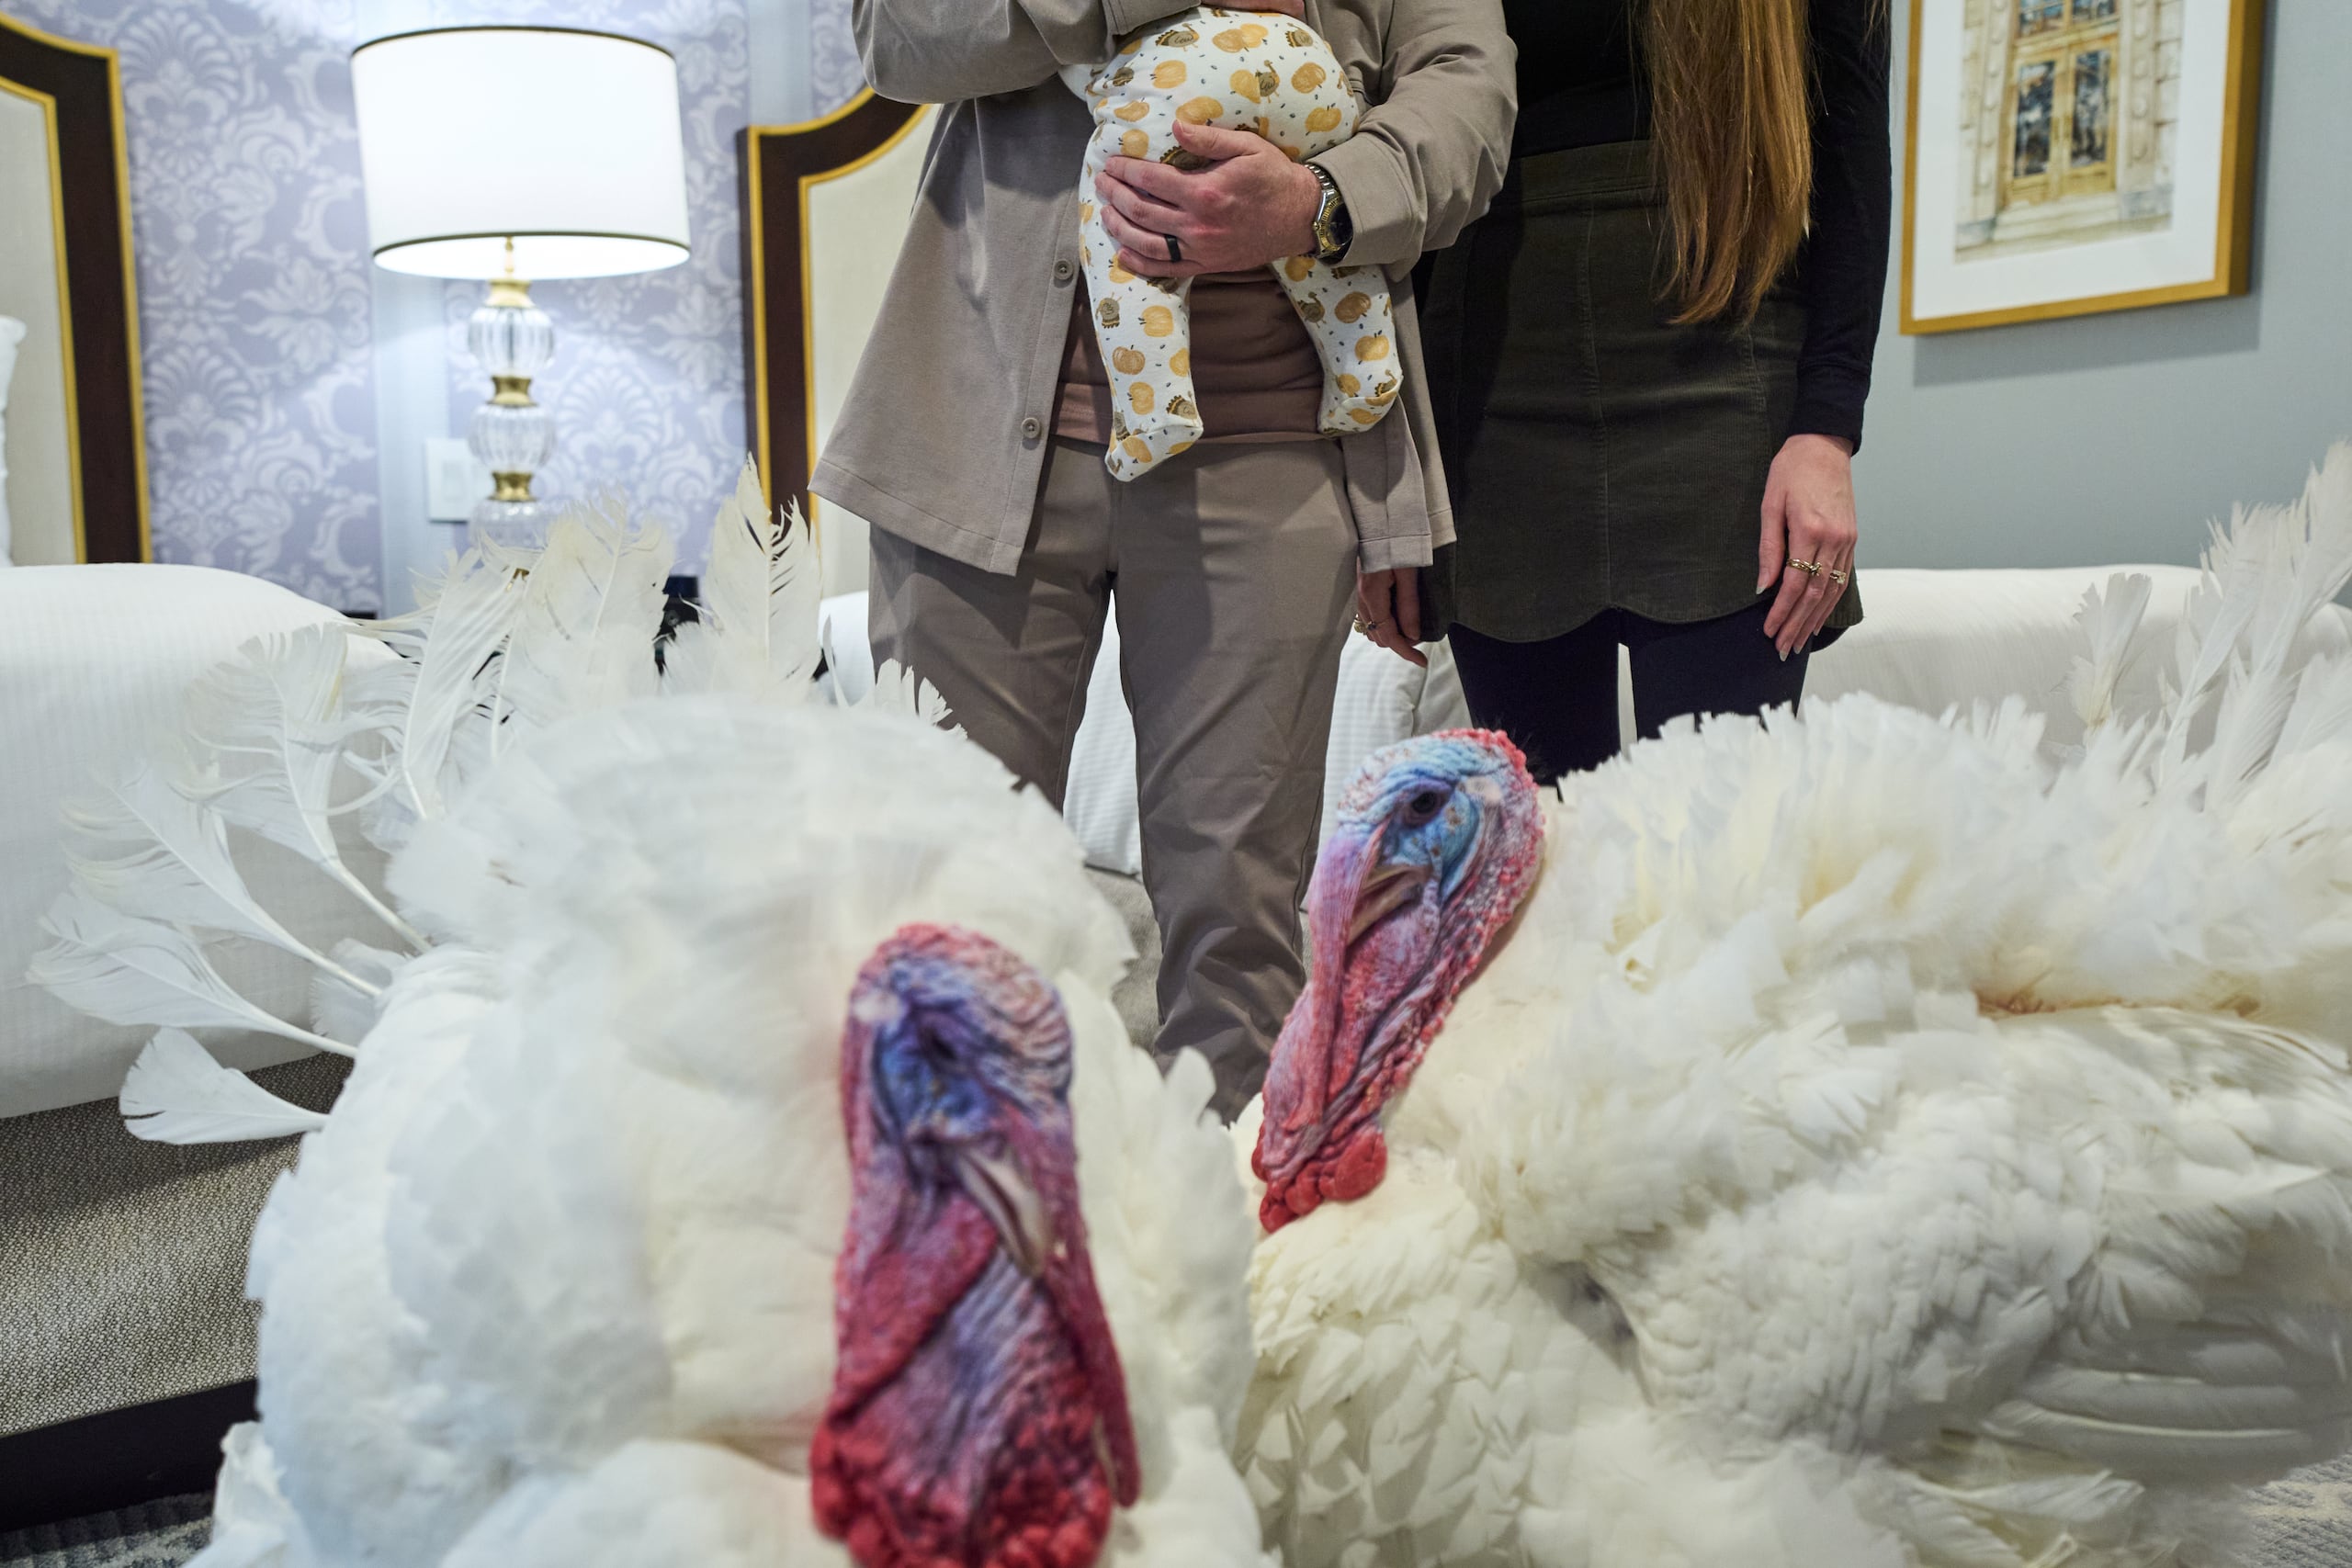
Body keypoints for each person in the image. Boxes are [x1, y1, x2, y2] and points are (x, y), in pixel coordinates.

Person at [814, 0, 1515, 1114]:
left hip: (1275, 452)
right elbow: (896, 34)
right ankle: (972, 1213)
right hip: (974, 432)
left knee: (1241, 935)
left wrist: (1318, 202)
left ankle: (1217, 1216)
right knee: (949, 909)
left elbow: (1468, 90)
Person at [1390, 0, 1891, 784]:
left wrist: (1827, 428)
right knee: (1543, 831)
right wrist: (1392, 471)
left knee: (1726, 829)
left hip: (1723, 351)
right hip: (1490, 379)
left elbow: (1850, 143)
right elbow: (1413, 155)